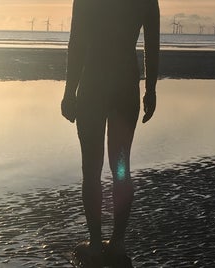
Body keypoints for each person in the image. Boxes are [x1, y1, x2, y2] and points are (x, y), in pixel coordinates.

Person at [61, 0, 159, 266]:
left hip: (93, 85)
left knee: (92, 169)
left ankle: (95, 243)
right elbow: (152, 45)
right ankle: (117, 242)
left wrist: (69, 92)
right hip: (126, 86)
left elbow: (77, 41)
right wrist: (150, 89)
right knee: (121, 168)